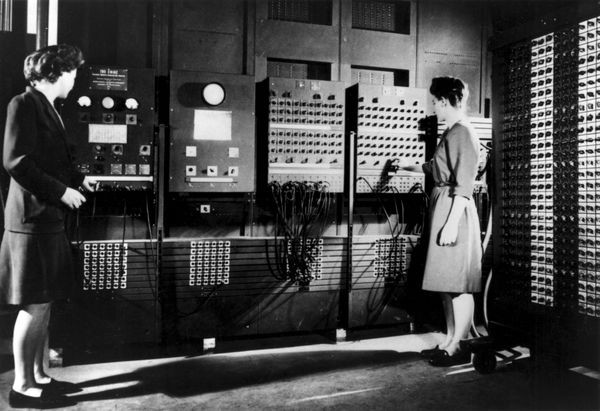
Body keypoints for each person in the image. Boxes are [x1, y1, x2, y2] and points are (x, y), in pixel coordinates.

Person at [0, 44, 96, 408]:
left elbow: (49, 160)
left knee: (45, 301)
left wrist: (78, 180)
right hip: (32, 219)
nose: (75, 79)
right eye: (73, 73)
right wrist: (62, 192)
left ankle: (39, 376)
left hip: (46, 218)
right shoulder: (23, 104)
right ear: (57, 73)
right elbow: (16, 161)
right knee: (35, 304)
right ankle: (21, 387)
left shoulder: (49, 109)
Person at [399, 77, 482, 366]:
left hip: (454, 211)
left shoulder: (462, 133)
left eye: (435, 101)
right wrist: (404, 166)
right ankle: (449, 340)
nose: (433, 107)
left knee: (457, 284)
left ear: (445, 101)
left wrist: (450, 223)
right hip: (443, 205)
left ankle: (458, 346)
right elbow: (434, 168)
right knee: (445, 282)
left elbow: (465, 183)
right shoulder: (452, 132)